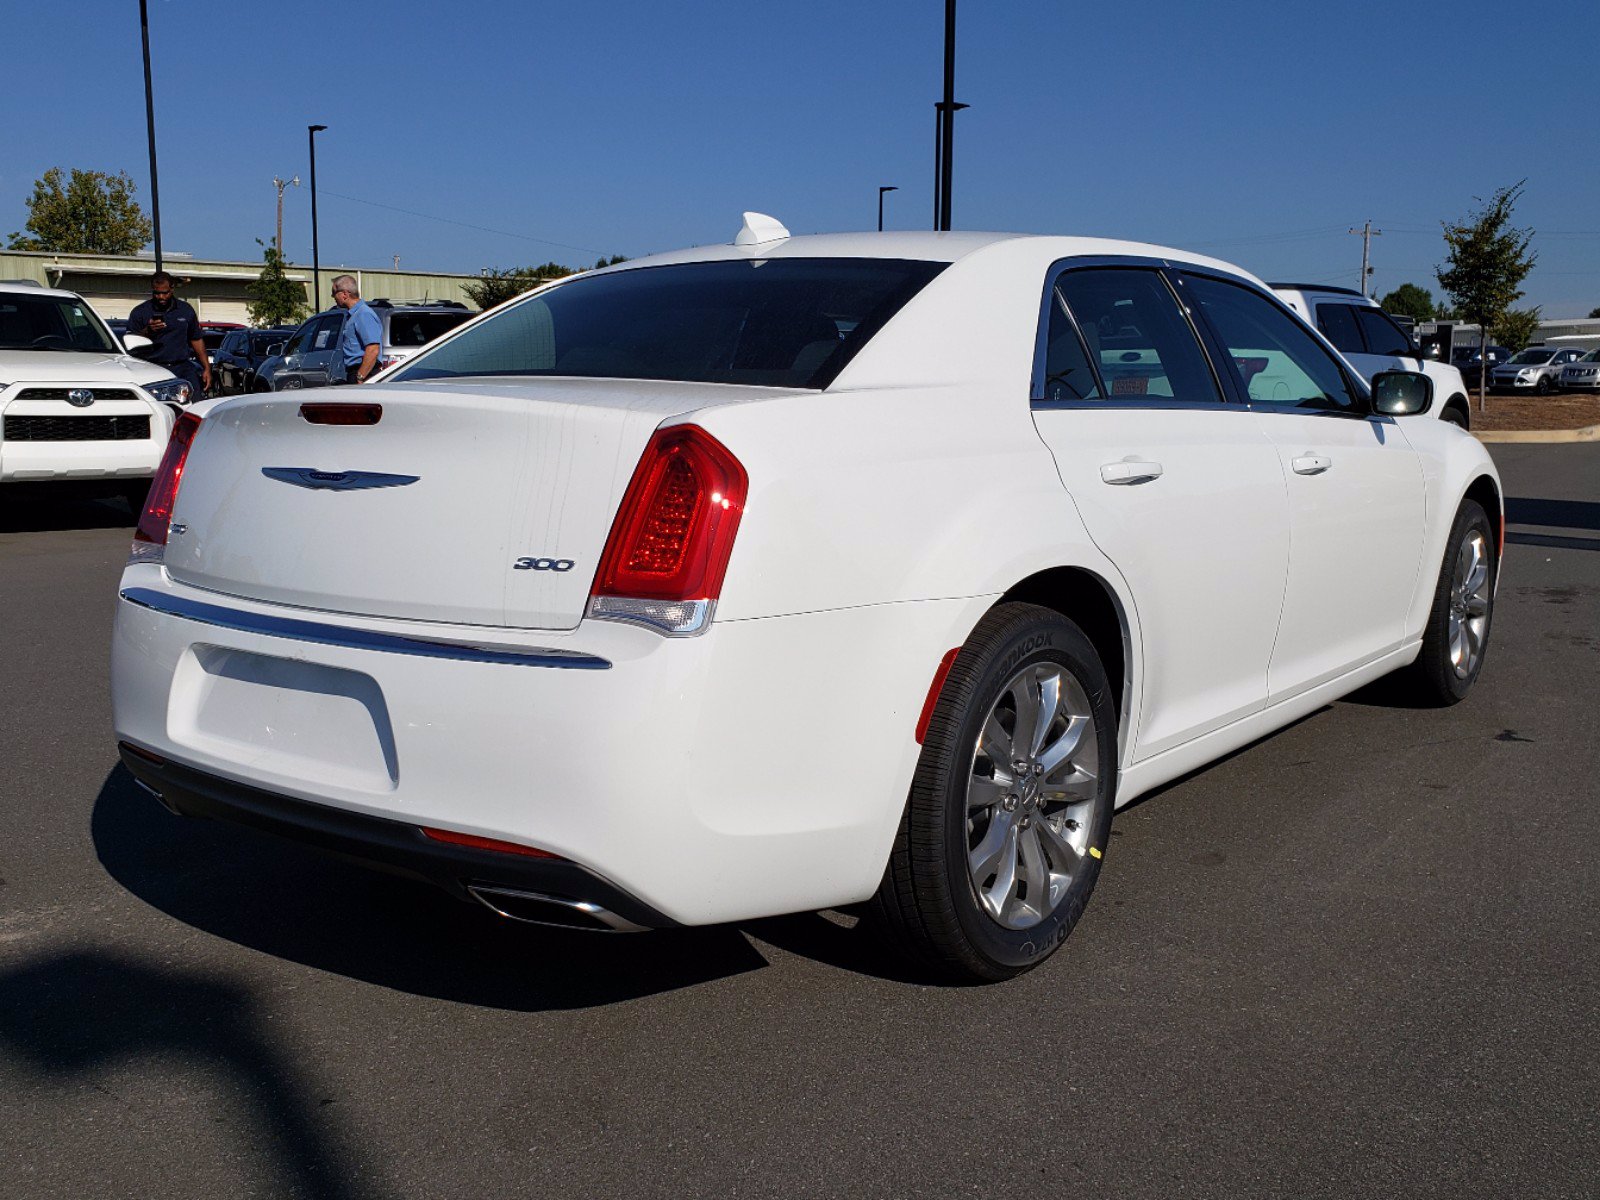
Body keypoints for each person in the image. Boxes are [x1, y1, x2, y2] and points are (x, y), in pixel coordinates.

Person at [126, 271, 210, 396]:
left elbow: (196, 339)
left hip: (182, 368)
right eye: (157, 293)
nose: (161, 297)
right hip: (153, 368)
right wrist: (148, 331)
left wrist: (206, 368)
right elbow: (130, 343)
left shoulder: (185, 310)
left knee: (194, 405)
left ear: (172, 289)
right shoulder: (140, 312)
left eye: (164, 293)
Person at [330, 274, 382, 384]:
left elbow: (373, 349)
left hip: (365, 374)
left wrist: (360, 377)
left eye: (334, 293)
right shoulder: (354, 315)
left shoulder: (363, 314)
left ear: (344, 294)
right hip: (357, 373)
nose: (332, 296)